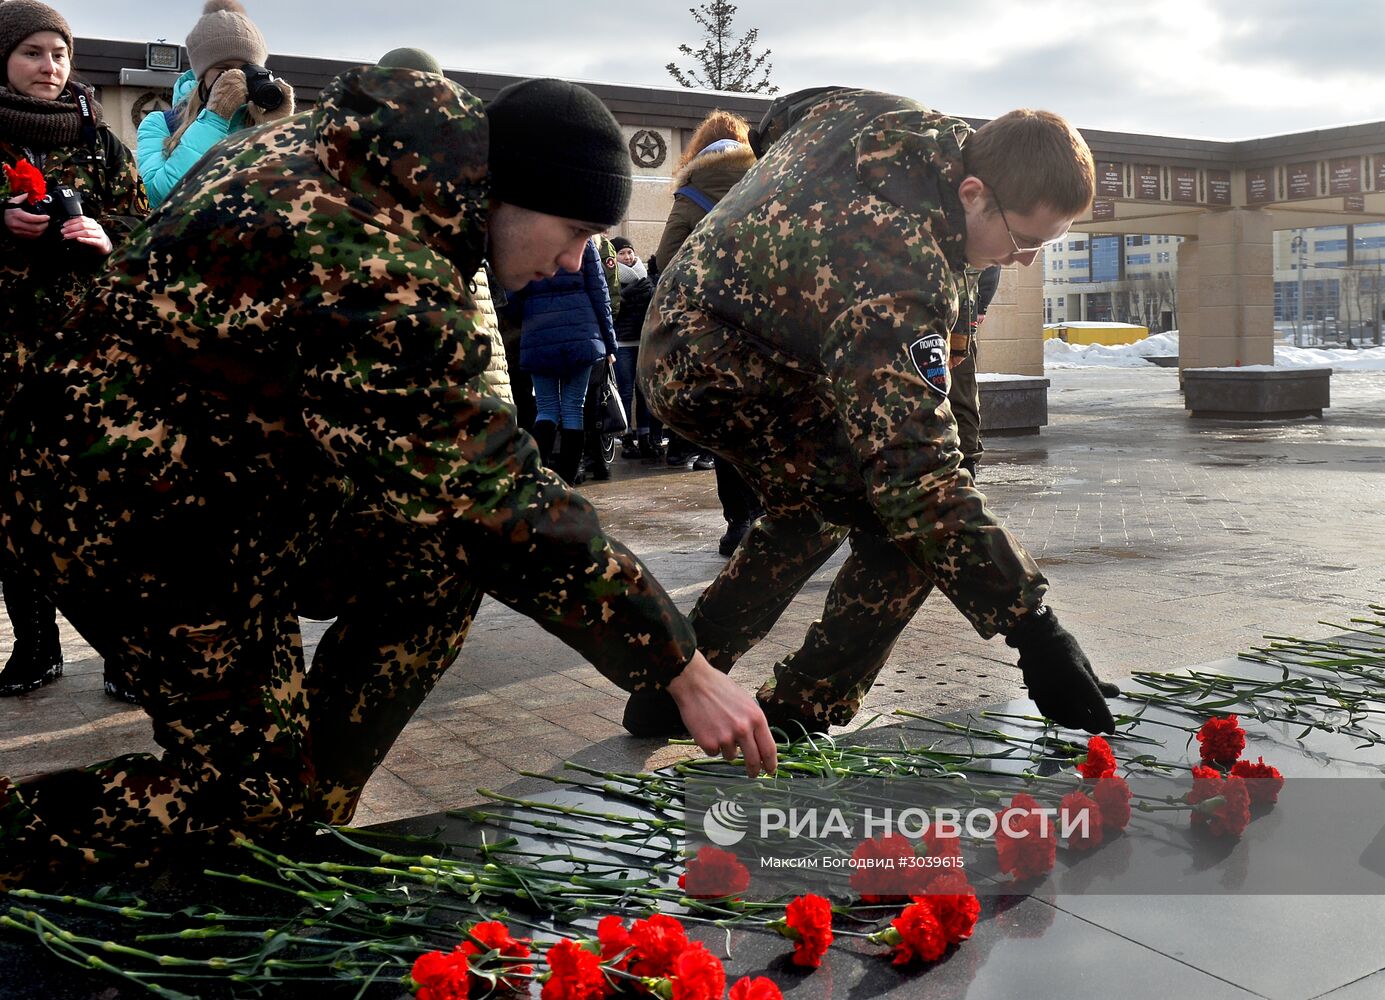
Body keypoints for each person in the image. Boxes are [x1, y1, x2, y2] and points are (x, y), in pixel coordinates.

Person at [0, 70, 774, 886]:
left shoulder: (376, 169)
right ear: (507, 193)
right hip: (132, 515)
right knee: (245, 798)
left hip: (232, 485)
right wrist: (678, 666)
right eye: (574, 230)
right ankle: (242, 818)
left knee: (434, 560)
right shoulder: (370, 252)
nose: (571, 262)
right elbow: (484, 491)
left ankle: (306, 820)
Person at [631, 87, 1119, 740]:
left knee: (813, 509)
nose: (1024, 259)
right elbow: (917, 482)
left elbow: (781, 117)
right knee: (910, 529)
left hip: (689, 323)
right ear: (972, 192)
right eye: (1024, 240)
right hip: (722, 370)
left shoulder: (879, 117)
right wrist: (1034, 630)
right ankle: (800, 708)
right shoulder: (898, 277)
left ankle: (673, 683)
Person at [0, 0, 148, 698]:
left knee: (102, 513)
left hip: (88, 361)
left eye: (58, 54)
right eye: (33, 52)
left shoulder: (100, 142)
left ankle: (125, 654)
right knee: (12, 514)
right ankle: (34, 650)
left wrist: (106, 236)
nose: (49, 66)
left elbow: (149, 230)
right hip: (5, 362)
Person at [651, 108, 763, 553]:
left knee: (728, 428)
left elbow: (665, 261)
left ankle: (740, 522)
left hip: (715, 334)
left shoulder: (692, 196)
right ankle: (777, 517)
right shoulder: (769, 182)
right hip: (771, 330)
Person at [135, 0, 295, 208]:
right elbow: (157, 198)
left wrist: (279, 131)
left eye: (247, 68)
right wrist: (214, 120)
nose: (236, 77)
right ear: (201, 75)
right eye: (224, 69)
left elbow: (291, 200)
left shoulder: (261, 121)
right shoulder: (161, 124)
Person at [509, 235, 617, 485]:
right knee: (573, 408)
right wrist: (610, 343)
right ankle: (567, 481)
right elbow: (600, 293)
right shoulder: (584, 240)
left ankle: (535, 476)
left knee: (545, 408)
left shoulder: (526, 241)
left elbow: (514, 293)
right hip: (581, 332)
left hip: (540, 333)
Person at [949, 264, 1001, 479]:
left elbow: (992, 261)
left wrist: (981, 307)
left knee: (962, 391)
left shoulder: (966, 235)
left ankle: (967, 458)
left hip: (961, 321)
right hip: (930, 318)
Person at [609, 236, 657, 459]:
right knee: (626, 392)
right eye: (622, 253)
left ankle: (645, 437)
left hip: (643, 342)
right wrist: (624, 297)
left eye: (630, 252)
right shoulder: (611, 279)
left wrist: (652, 288)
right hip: (623, 343)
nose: (627, 257)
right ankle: (627, 438)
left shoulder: (645, 277)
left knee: (644, 393)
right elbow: (610, 309)